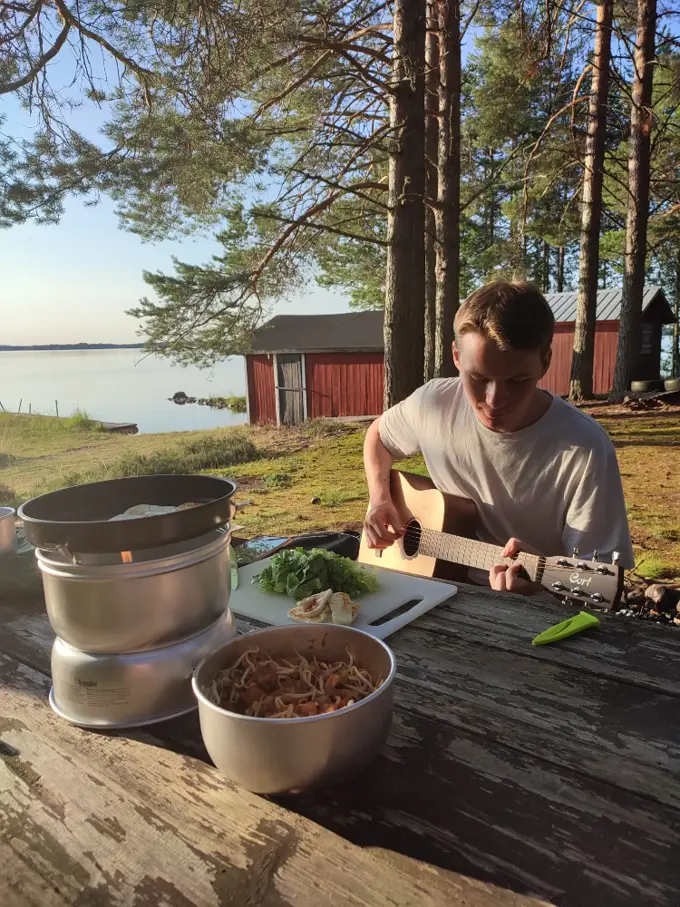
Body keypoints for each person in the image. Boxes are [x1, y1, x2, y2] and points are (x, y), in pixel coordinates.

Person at [363, 280, 634, 595]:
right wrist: (379, 499)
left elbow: (600, 584)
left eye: (518, 380)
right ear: (456, 356)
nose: (494, 400)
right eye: (478, 378)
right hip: (431, 589)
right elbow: (378, 436)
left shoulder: (585, 449)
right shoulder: (434, 403)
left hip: (532, 618)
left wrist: (537, 587)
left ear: (545, 361)